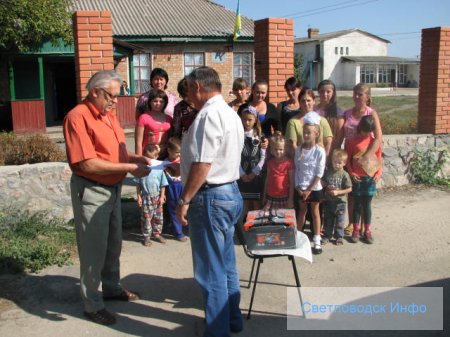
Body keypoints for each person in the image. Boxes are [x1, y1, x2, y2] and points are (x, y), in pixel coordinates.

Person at [63, 70, 151, 326]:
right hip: (92, 189)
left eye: (118, 96)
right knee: (93, 249)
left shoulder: (108, 115)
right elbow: (87, 164)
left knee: (113, 245)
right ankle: (92, 304)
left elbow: (114, 154)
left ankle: (111, 287)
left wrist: (136, 158)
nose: (116, 101)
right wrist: (129, 169)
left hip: (112, 189)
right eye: (112, 96)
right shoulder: (77, 117)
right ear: (95, 92)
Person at [176, 66, 244, 336]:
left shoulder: (209, 114)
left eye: (189, 90)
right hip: (228, 192)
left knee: (210, 269)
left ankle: (217, 330)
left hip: (210, 196)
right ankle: (231, 320)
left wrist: (184, 199)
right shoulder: (229, 112)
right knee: (225, 263)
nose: (188, 96)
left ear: (197, 87)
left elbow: (204, 163)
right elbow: (214, 158)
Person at [343, 83, 383, 236]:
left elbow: (378, 138)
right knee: (352, 194)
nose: (356, 97)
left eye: (360, 94)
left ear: (367, 97)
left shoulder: (371, 113)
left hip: (368, 158)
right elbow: (342, 134)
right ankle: (353, 225)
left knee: (365, 198)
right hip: (351, 155)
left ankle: (365, 227)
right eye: (355, 93)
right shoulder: (347, 113)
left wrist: (368, 156)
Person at [345, 115, 382, 244]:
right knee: (357, 204)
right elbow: (347, 160)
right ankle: (356, 229)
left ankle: (367, 230)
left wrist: (378, 173)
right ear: (360, 128)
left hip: (370, 178)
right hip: (357, 178)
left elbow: (379, 158)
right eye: (366, 131)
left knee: (367, 205)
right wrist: (351, 172)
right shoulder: (351, 142)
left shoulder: (374, 141)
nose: (368, 133)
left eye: (370, 131)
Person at [294, 112, 326, 255]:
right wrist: (298, 187)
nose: (306, 135)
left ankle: (317, 239)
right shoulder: (299, 150)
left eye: (309, 133)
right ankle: (297, 238)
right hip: (301, 187)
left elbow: (319, 173)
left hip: (314, 188)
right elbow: (297, 169)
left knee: (315, 213)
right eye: (304, 132)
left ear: (316, 134)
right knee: (301, 212)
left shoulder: (319, 151)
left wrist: (310, 190)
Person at [136, 143, 169, 246]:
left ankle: (157, 234)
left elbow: (163, 183)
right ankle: (146, 236)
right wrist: (138, 196)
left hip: (157, 197)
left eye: (152, 158)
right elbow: (137, 183)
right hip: (146, 197)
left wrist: (162, 196)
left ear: (156, 156)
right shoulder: (141, 169)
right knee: (146, 218)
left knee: (158, 217)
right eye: (147, 158)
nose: (150, 161)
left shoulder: (159, 168)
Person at [285, 88, 333, 158]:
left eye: (308, 100)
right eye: (303, 101)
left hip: (319, 161)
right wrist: (303, 159)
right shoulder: (293, 122)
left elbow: (328, 142)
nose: (306, 103)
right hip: (301, 161)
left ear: (314, 101)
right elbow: (292, 145)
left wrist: (324, 159)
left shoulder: (322, 120)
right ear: (299, 103)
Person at [238, 105, 266, 216]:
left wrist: (254, 173)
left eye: (250, 120)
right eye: (244, 119)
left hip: (255, 175)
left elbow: (263, 156)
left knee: (256, 203)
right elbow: (235, 156)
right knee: (245, 203)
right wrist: (242, 174)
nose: (247, 122)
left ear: (255, 120)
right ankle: (246, 228)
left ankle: (255, 227)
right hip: (242, 174)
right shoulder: (238, 135)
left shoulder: (260, 136)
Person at [321, 149, 352, 246]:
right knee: (328, 221)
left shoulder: (344, 175)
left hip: (340, 203)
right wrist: (321, 183)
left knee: (340, 222)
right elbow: (325, 183)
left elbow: (349, 189)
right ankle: (327, 236)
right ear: (331, 161)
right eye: (335, 162)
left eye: (339, 162)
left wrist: (338, 192)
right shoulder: (328, 172)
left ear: (344, 163)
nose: (337, 164)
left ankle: (339, 237)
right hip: (329, 202)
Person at [135, 88, 172, 159]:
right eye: (155, 101)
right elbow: (138, 143)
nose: (158, 104)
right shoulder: (143, 118)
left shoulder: (169, 118)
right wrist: (139, 159)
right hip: (148, 156)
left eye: (161, 101)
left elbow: (170, 140)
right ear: (150, 102)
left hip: (166, 157)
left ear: (165, 103)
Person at [164, 137, 188, 242]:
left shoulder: (183, 160)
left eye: (180, 152)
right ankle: (179, 233)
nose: (179, 154)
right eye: (177, 152)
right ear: (169, 151)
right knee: (174, 210)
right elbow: (167, 178)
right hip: (172, 188)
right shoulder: (165, 163)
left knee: (184, 207)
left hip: (182, 186)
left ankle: (182, 225)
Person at [262, 135, 294, 210]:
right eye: (275, 149)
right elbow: (267, 180)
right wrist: (264, 196)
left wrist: (290, 199)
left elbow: (292, 182)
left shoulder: (289, 163)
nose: (278, 152)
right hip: (270, 197)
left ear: (285, 149)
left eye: (281, 149)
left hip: (284, 198)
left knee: (283, 219)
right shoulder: (270, 162)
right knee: (269, 219)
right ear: (271, 150)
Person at [315, 79, 344, 152]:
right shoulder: (314, 110)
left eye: (328, 92)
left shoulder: (338, 112)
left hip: (332, 150)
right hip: (316, 149)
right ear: (318, 92)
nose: (325, 94)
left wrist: (334, 150)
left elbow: (340, 135)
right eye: (322, 91)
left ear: (333, 93)